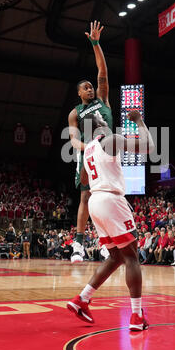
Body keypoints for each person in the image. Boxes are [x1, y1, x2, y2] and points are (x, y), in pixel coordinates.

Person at [67, 109, 154, 331]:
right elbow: (149, 147)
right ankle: (136, 316)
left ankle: (82, 299)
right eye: (103, 118)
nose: (106, 119)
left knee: (116, 257)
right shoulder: (110, 139)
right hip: (111, 199)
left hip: (95, 202)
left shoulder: (87, 151)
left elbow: (85, 179)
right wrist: (138, 121)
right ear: (98, 124)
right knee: (132, 257)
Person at [68, 20, 113, 246]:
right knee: (86, 196)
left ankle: (106, 241)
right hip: (88, 154)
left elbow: (102, 70)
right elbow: (74, 140)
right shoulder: (75, 113)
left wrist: (95, 44)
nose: (90, 88)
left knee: (107, 196)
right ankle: (78, 242)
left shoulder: (103, 98)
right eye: (85, 87)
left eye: (91, 86)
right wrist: (88, 148)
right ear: (79, 93)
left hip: (109, 151)